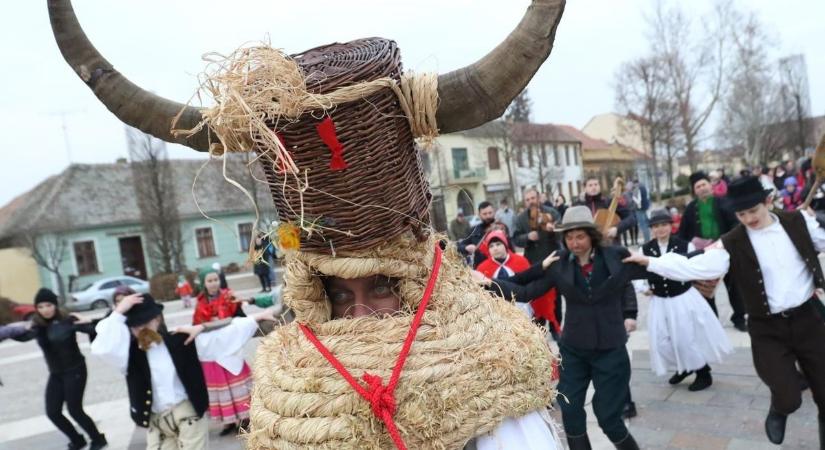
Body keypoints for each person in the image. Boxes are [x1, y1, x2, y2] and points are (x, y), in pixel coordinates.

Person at [624, 175, 825, 447]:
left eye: (753, 211)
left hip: (809, 319)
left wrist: (813, 220)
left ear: (767, 202)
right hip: (768, 329)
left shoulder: (798, 222)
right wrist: (650, 262)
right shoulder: (732, 242)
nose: (749, 218)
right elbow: (693, 266)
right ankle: (780, 408)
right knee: (789, 395)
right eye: (741, 214)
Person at [477, 206, 641, 450]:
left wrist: (632, 311)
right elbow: (525, 291)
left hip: (610, 349)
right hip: (575, 349)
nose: (574, 243)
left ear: (591, 235)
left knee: (609, 418)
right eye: (569, 237)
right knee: (571, 410)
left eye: (580, 236)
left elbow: (645, 274)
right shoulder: (559, 263)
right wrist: (488, 283)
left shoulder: (615, 256)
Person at [91, 292, 277, 450]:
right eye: (136, 327)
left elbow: (220, 337)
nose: (142, 330)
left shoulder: (181, 339)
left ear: (157, 320)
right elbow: (102, 348)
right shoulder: (126, 354)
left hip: (188, 415)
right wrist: (118, 312)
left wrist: (254, 319)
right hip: (157, 422)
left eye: (146, 323)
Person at [641, 209, 732, 390]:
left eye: (664, 225)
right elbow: (638, 274)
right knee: (661, 341)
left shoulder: (685, 245)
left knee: (685, 338)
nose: (660, 229)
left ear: (671, 226)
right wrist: (644, 288)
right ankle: (685, 366)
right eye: (656, 226)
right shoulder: (645, 249)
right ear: (651, 229)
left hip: (682, 299)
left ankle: (703, 373)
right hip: (659, 301)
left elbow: (694, 268)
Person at [14, 288, 107, 450]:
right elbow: (22, 337)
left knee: (74, 410)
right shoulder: (37, 325)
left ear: (55, 305)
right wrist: (11, 330)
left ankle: (98, 439)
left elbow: (94, 329)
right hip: (56, 373)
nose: (45, 310)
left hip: (75, 370)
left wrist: (89, 321)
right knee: (53, 412)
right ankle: (77, 440)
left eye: (48, 305)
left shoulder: (68, 320)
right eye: (41, 306)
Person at [677, 171, 747, 332]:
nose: (702, 188)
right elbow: (683, 233)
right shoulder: (691, 208)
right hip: (703, 254)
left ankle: (739, 318)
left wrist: (724, 241)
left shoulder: (724, 202)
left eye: (704, 184)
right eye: (698, 186)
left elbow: (735, 224)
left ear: (710, 185)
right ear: (694, 191)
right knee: (705, 288)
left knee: (734, 287)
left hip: (725, 250)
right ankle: (712, 320)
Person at [191, 267, 252, 435]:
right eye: (209, 281)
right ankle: (228, 421)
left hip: (230, 347)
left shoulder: (229, 297)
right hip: (214, 352)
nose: (213, 283)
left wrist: (227, 323)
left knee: (237, 383)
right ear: (203, 283)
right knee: (221, 387)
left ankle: (244, 418)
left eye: (216, 280)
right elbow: (196, 326)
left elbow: (241, 318)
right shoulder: (200, 303)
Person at [476, 229, 560, 334]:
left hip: (523, 311)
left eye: (498, 244)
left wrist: (542, 266)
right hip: (499, 317)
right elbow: (519, 283)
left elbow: (524, 280)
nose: (495, 248)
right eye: (491, 246)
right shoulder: (482, 268)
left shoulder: (520, 261)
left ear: (506, 245)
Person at [575, 177, 636, 243]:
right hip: (588, 244)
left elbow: (631, 218)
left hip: (610, 244)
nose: (594, 187)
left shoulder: (609, 202)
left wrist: (617, 229)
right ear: (585, 188)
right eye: (590, 185)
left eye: (596, 184)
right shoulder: (580, 206)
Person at [457, 201, 497, 267]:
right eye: (484, 214)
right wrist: (466, 248)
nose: (488, 216)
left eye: (490, 213)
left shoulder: (501, 227)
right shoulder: (474, 230)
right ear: (479, 215)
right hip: (480, 268)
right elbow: (459, 246)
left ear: (494, 212)